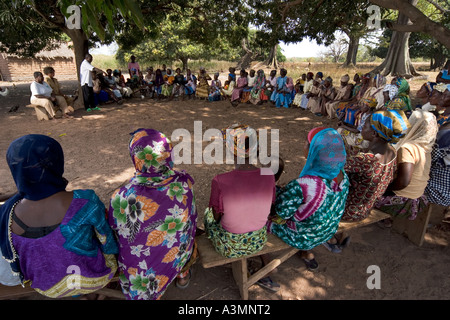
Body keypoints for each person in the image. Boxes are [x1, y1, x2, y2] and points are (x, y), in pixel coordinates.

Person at [0, 134, 118, 298]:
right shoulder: (85, 200)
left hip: (47, 287)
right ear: (56, 163)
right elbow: (108, 242)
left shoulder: (7, 213)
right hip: (96, 276)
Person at [107, 129, 197, 300]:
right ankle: (182, 274)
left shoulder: (121, 196)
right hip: (176, 254)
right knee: (186, 232)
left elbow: (115, 229)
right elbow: (191, 218)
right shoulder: (184, 184)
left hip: (139, 269)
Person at [266, 127, 349, 272]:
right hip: (329, 229)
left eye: (306, 142)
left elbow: (281, 212)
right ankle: (308, 253)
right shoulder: (342, 176)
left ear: (314, 151)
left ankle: (266, 265)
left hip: (305, 236)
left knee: (262, 220)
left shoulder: (304, 185)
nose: (303, 145)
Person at [204, 124, 276, 259]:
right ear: (256, 149)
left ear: (231, 150)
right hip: (258, 241)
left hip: (229, 246)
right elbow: (269, 206)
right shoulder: (269, 175)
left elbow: (216, 216)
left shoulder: (220, 181)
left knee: (207, 214)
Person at [340, 110, 410, 222]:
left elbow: (335, 171)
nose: (361, 127)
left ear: (374, 134)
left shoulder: (366, 160)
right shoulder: (391, 151)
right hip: (366, 209)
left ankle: (330, 237)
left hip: (349, 211)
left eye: (365, 126)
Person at [375, 110, 438, 224]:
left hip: (404, 201)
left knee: (364, 192)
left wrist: (382, 190)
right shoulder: (426, 149)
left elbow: (403, 182)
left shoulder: (407, 148)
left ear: (414, 126)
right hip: (417, 199)